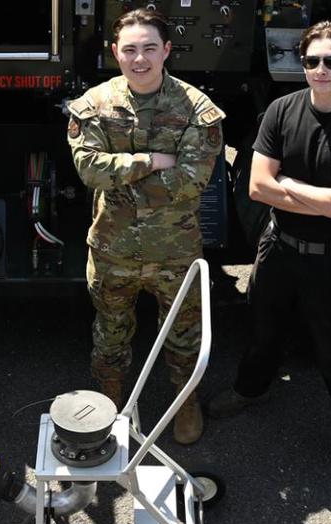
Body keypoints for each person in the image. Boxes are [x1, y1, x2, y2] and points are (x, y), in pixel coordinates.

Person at [207, 21, 331, 483]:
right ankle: (251, 390)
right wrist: (314, 196)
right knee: (264, 331)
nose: (321, 70)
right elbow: (256, 186)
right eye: (311, 62)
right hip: (279, 249)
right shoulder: (282, 110)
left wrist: (286, 185)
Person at [67, 9, 225, 445]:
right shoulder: (93, 106)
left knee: (184, 334)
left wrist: (121, 182)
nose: (140, 59)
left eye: (150, 48)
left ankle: (186, 403)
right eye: (130, 49)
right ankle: (108, 407)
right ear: (115, 52)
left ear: (167, 51)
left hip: (175, 254)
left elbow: (195, 179)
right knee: (110, 332)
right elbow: (88, 169)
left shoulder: (197, 109)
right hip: (112, 250)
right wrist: (151, 162)